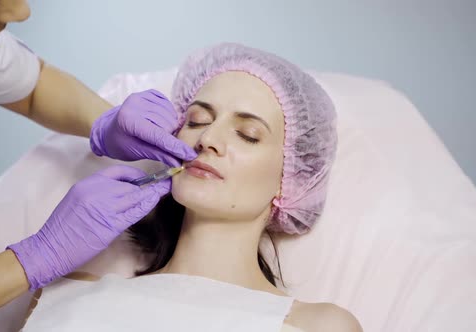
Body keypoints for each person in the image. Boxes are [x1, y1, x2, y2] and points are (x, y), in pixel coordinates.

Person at [22, 44, 363, 332]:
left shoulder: (319, 325)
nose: (208, 139)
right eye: (197, 120)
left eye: (248, 134)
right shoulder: (69, 295)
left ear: (291, 183)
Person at [0, 1, 196, 331]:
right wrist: (36, 258)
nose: (21, 12)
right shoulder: (79, 299)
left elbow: (32, 87)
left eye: (249, 135)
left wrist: (105, 122)